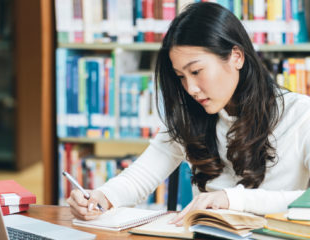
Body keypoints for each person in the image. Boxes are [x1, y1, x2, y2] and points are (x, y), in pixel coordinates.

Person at [67, 2, 310, 226]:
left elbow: (305, 202)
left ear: (236, 57)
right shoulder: (192, 116)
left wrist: (231, 199)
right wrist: (102, 197)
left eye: (196, 71)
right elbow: (140, 176)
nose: (191, 89)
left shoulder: (300, 115)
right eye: (181, 76)